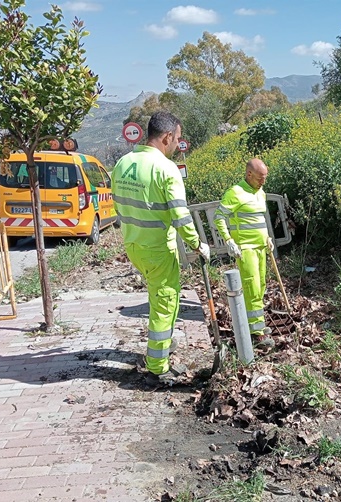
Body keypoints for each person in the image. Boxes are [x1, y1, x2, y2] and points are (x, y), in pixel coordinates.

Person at [111, 111, 210, 383]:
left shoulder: (123, 163)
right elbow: (180, 215)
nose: (179, 144)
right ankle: (157, 365)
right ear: (167, 137)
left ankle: (163, 346)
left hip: (134, 244)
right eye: (177, 139)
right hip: (157, 248)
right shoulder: (165, 169)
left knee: (163, 297)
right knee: (165, 302)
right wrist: (198, 244)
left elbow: (117, 206)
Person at [213, 158, 275, 349]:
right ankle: (256, 333)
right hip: (246, 249)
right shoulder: (235, 193)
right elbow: (219, 217)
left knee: (261, 284)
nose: (262, 182)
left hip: (261, 247)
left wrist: (267, 238)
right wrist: (229, 240)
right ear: (249, 174)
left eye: (265, 178)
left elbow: (258, 220)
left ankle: (258, 324)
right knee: (252, 287)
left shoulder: (260, 192)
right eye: (259, 178)